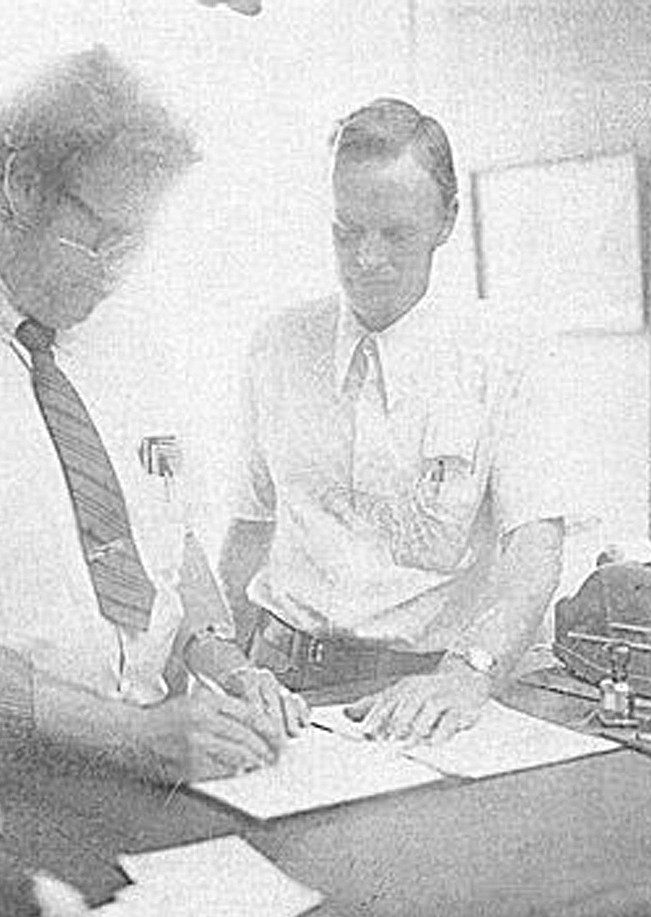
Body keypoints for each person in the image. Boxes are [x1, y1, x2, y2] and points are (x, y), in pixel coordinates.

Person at [0, 47, 305, 787]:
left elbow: (169, 536)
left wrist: (221, 656)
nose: (114, 271)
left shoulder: (129, 335)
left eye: (137, 242)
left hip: (131, 752)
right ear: (19, 183)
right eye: (101, 235)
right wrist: (130, 736)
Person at [219, 98, 566, 745]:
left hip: (427, 692)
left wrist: (471, 672)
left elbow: (535, 547)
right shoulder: (277, 344)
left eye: (395, 233)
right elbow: (248, 528)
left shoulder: (507, 354)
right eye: (346, 231)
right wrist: (219, 668)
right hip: (281, 678)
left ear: (447, 219)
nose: (367, 258)